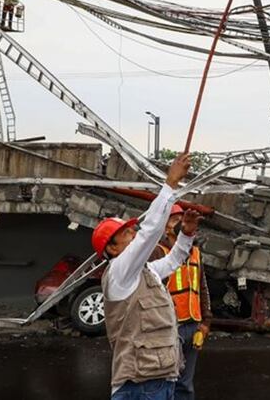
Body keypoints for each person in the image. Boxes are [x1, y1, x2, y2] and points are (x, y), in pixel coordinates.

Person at [91, 154, 202, 400]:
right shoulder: (119, 272)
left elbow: (173, 261)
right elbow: (149, 232)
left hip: (159, 377)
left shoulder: (145, 271)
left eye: (132, 229)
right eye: (126, 233)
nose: (133, 233)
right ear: (112, 249)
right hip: (140, 384)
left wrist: (186, 236)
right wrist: (170, 184)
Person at [159, 203, 213, 400]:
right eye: (175, 220)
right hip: (167, 328)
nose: (181, 223)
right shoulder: (158, 253)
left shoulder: (196, 252)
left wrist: (205, 322)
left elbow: (202, 287)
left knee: (184, 385)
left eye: (183, 219)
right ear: (165, 226)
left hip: (192, 325)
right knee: (164, 382)